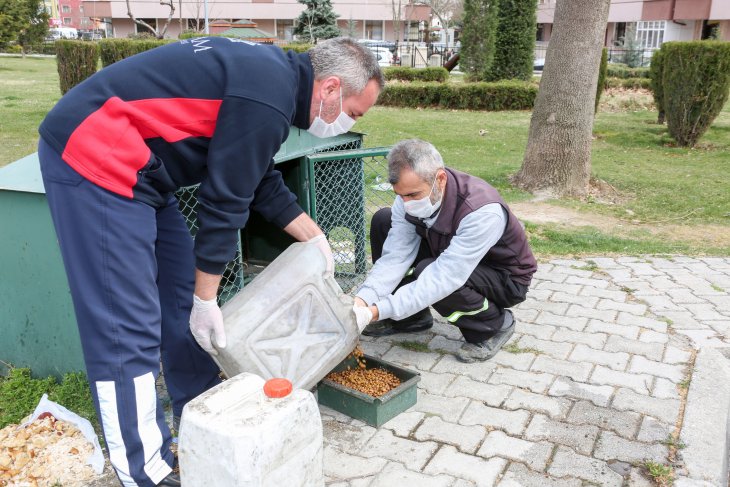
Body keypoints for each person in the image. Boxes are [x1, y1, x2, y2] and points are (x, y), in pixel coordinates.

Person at [37, 37, 383, 487]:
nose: (346, 123)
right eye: (354, 113)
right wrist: (208, 298)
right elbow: (225, 202)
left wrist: (314, 237)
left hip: (147, 176)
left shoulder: (273, 81)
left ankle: (201, 427)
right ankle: (146, 473)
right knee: (127, 327)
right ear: (332, 88)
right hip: (95, 157)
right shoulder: (268, 92)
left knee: (180, 300)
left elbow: (255, 175)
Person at [353, 139, 537, 363]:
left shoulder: (482, 211)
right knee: (384, 220)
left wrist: (377, 312)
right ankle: (410, 319)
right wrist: (362, 300)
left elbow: (444, 276)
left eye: (413, 195)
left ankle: (492, 325)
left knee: (428, 272)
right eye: (400, 195)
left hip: (504, 277)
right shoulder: (409, 196)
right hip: (450, 253)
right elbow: (396, 256)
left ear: (439, 179)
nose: (405, 202)